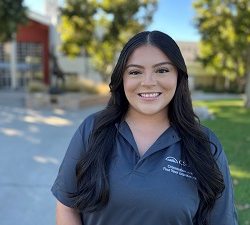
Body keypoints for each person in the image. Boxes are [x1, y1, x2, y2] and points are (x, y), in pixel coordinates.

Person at [51, 30, 238, 225]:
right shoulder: (92, 130)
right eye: (135, 72)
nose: (148, 82)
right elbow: (67, 206)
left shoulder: (204, 145)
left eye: (162, 70)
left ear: (178, 76)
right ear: (122, 78)